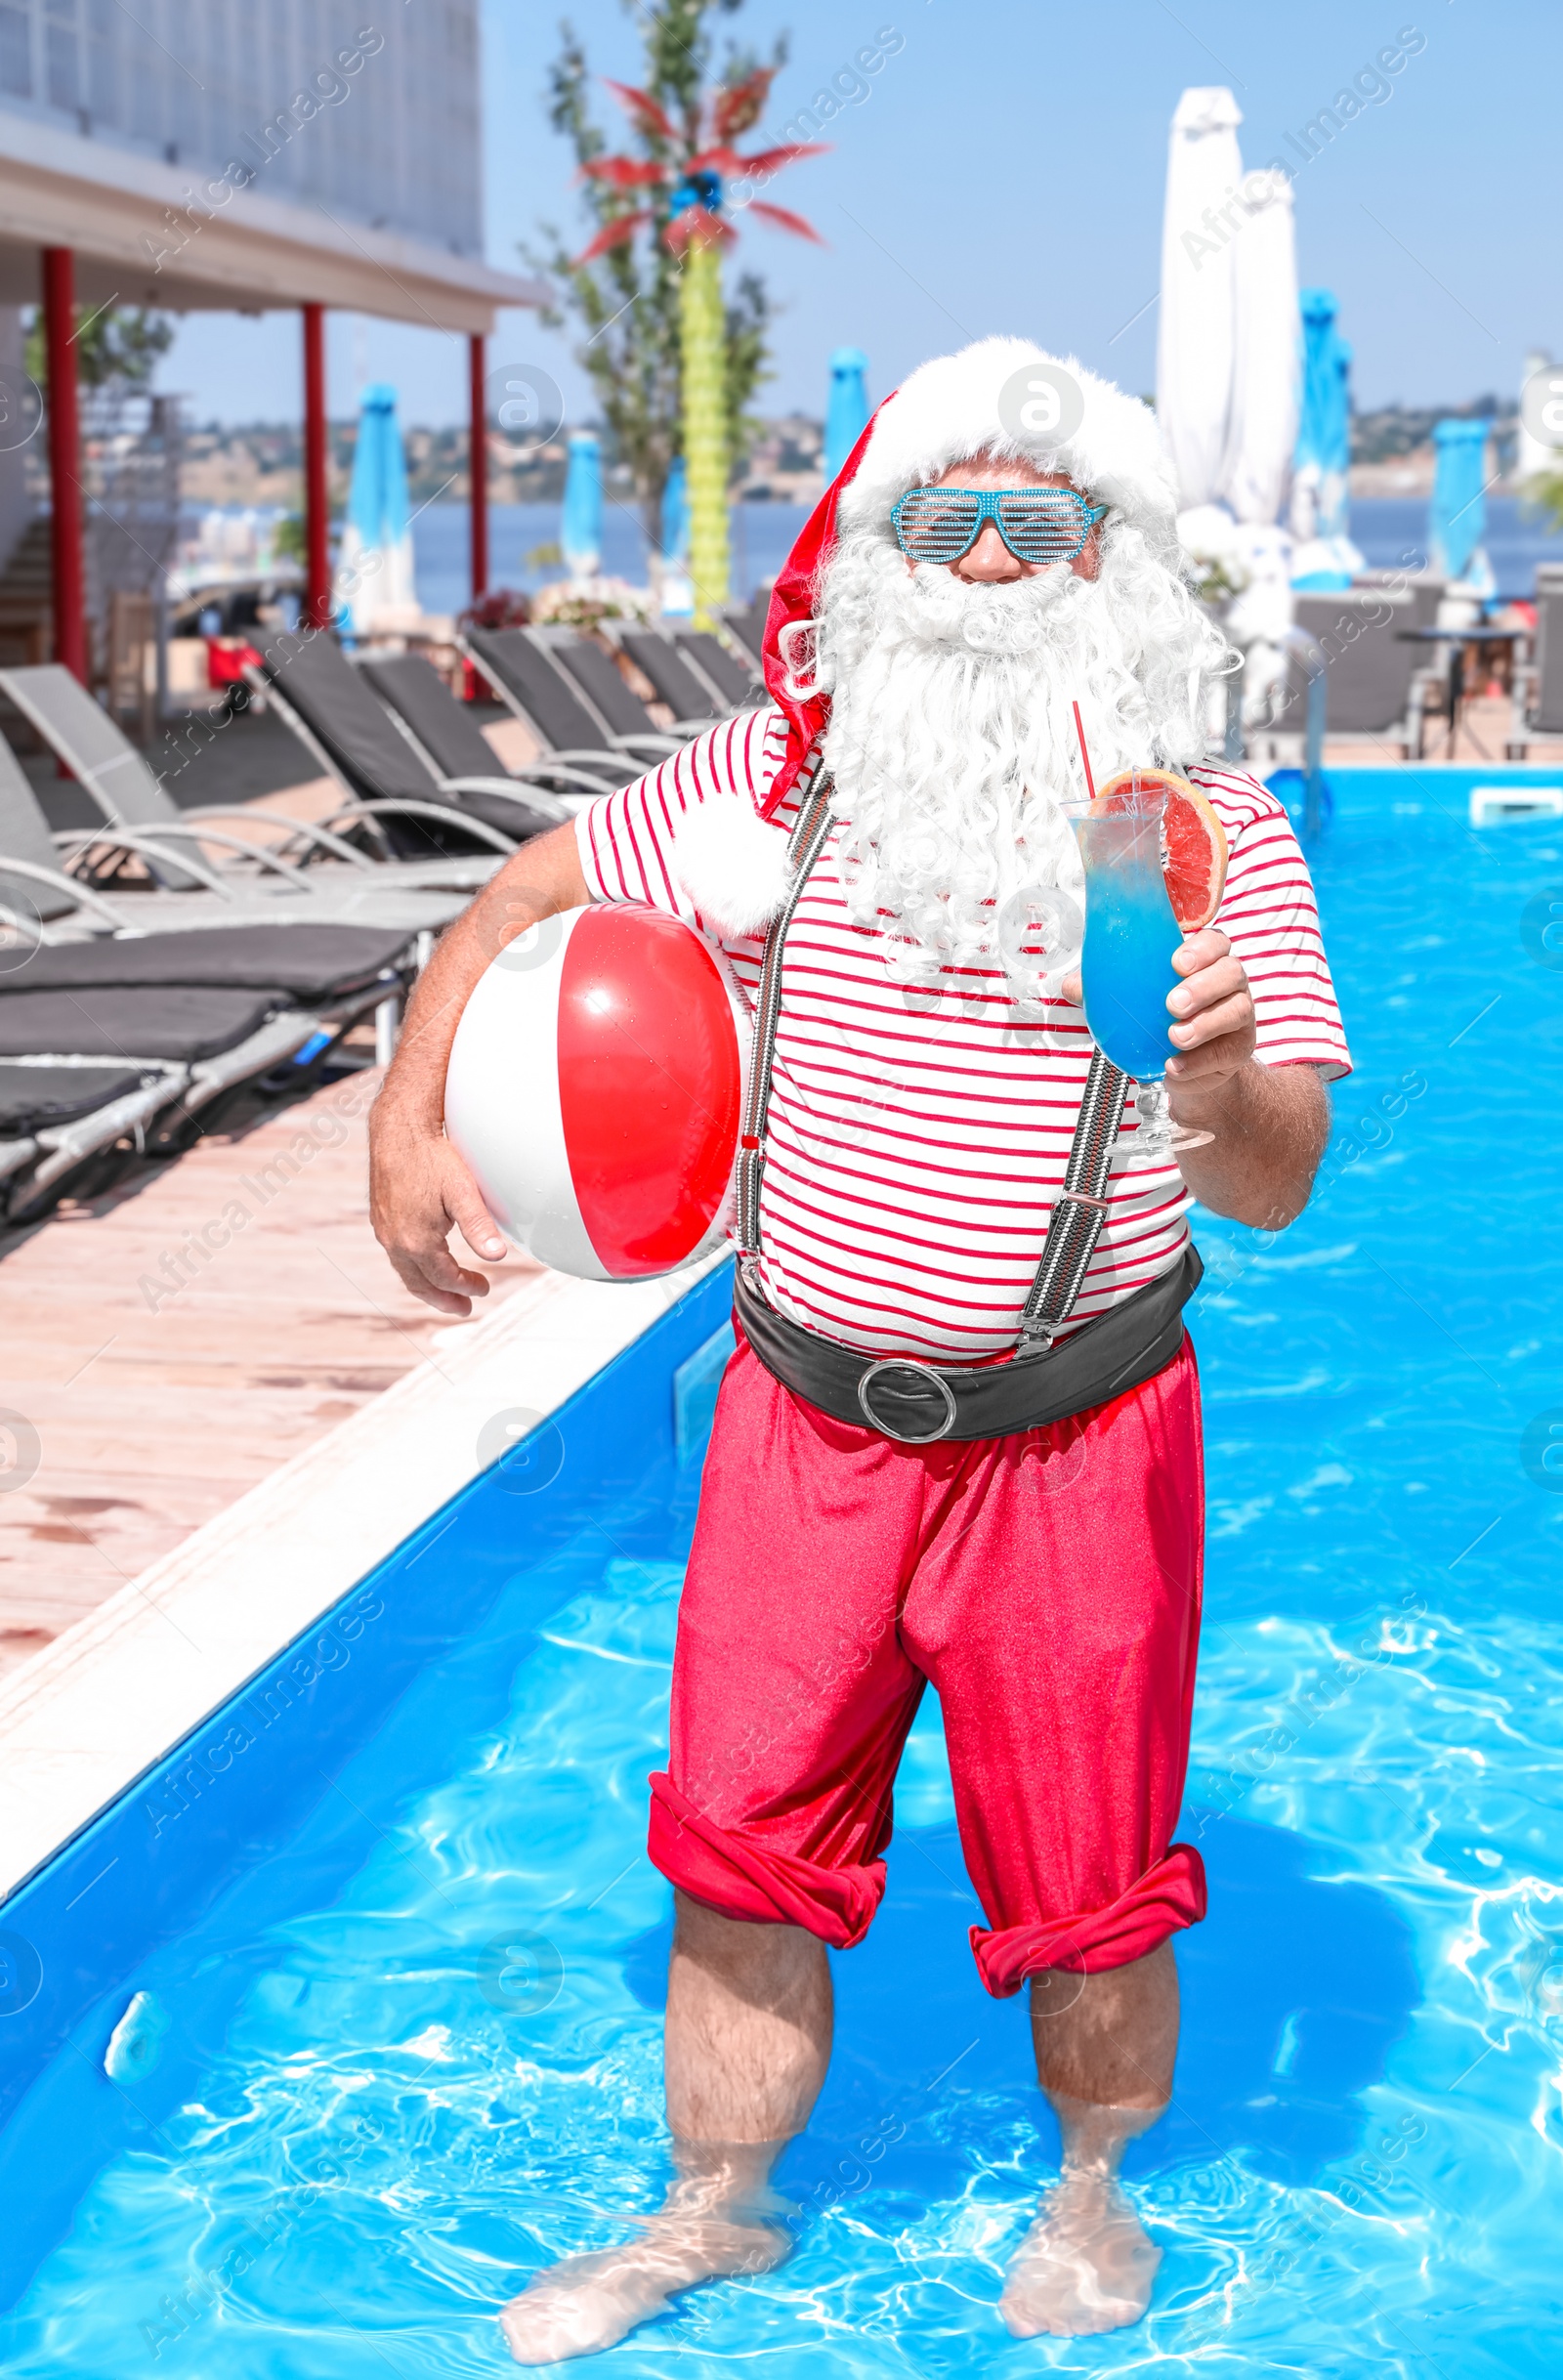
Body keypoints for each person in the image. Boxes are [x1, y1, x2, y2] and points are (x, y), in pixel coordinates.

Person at [369, 337, 1350, 2361]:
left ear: (1112, 560)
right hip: (800, 1420)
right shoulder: (775, 777)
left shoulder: (1208, 839)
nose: (989, 559)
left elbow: (1273, 1187)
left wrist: (1224, 1067)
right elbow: (523, 891)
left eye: (1039, 522)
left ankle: (1084, 2200)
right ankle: (711, 2211)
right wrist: (406, 1102)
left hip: (1075, 1436)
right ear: (881, 555)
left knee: (1090, 1885)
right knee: (734, 1845)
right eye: (943, 519)